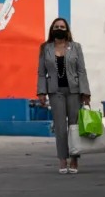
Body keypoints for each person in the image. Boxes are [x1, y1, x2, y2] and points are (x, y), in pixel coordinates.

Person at [36, 18, 90, 174]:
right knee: (60, 127)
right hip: (55, 91)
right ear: (52, 29)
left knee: (74, 126)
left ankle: (74, 159)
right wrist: (41, 92)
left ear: (67, 30)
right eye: (56, 26)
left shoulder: (76, 47)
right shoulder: (45, 48)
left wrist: (85, 92)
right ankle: (62, 159)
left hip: (74, 91)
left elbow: (81, 71)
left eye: (62, 26)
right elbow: (41, 72)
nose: (59, 28)